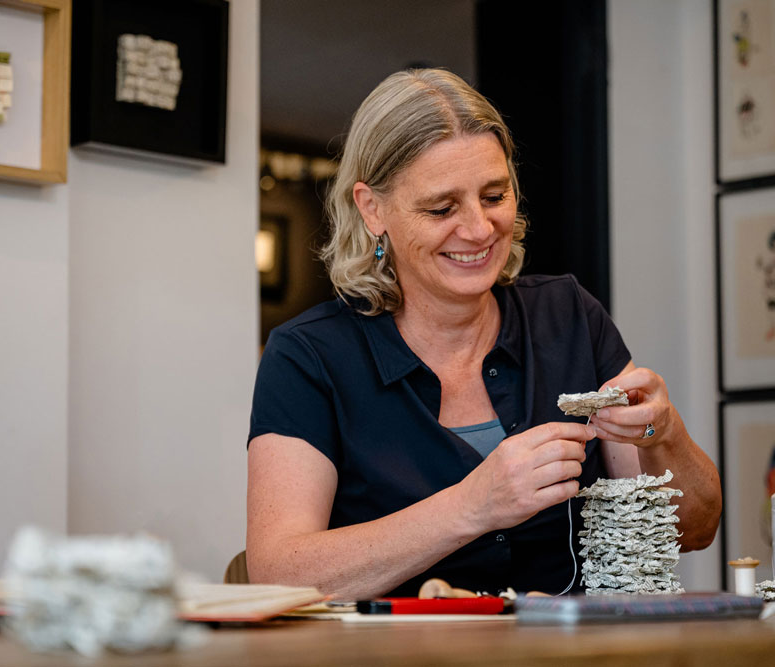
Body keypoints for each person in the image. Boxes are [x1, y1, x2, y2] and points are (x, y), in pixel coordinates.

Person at [245, 69, 721, 600]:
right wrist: (473, 505)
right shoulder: (308, 357)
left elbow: (694, 531)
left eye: (494, 197)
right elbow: (277, 574)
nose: (478, 229)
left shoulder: (568, 316)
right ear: (372, 208)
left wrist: (664, 433)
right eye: (442, 208)